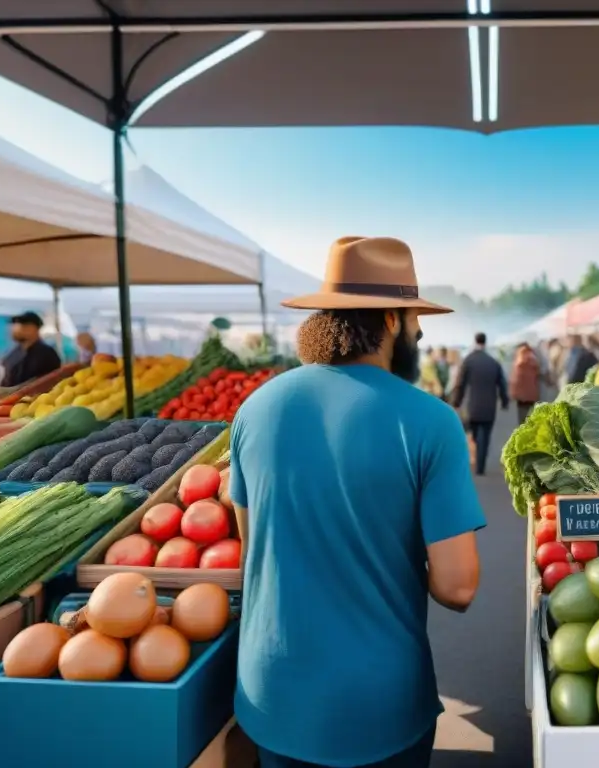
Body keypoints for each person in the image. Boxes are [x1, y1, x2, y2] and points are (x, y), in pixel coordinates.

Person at [227, 236, 485, 768]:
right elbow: (458, 586)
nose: (419, 331)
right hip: (378, 704)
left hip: (272, 690)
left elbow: (252, 547)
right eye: (414, 319)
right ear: (391, 320)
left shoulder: (254, 408)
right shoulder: (431, 421)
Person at [453, 332, 508, 476]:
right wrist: (504, 400)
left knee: (475, 435)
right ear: (485, 342)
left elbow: (461, 383)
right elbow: (502, 383)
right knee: (486, 434)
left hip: (473, 405)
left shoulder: (468, 360)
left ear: (474, 341)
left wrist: (456, 401)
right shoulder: (493, 362)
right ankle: (481, 465)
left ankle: (476, 459)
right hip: (489, 405)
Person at [1, 311, 62, 388]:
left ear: (33, 328)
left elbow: (50, 381)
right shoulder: (12, 353)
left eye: (22, 325)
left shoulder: (47, 354)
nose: (15, 329)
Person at [509, 342, 541, 424]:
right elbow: (538, 374)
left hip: (521, 395)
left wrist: (512, 393)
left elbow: (514, 379)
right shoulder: (534, 359)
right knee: (532, 415)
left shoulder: (518, 361)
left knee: (522, 417)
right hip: (532, 393)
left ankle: (523, 431)